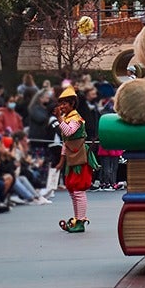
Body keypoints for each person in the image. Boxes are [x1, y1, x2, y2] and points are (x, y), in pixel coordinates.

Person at [55, 85, 93, 233]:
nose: (62, 106)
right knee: (73, 191)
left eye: (65, 103)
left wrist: (59, 119)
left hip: (79, 158)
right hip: (72, 158)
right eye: (61, 103)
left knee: (78, 190)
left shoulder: (76, 119)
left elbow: (69, 132)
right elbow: (66, 143)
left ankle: (81, 220)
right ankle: (77, 218)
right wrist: (61, 161)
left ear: (72, 104)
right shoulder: (67, 118)